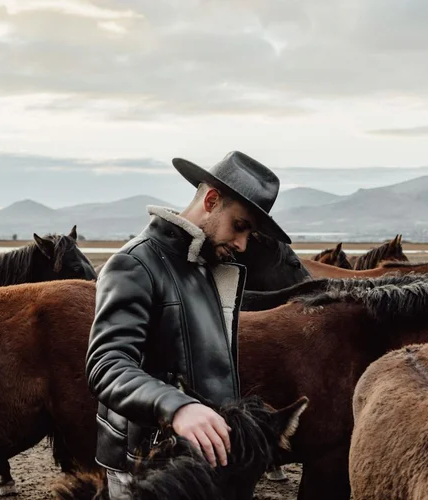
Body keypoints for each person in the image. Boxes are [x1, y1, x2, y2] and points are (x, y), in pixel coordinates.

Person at [85, 151, 291, 497]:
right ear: (211, 200)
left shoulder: (206, 268)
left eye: (249, 235)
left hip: (195, 460)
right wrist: (177, 407)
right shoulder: (135, 263)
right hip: (145, 464)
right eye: (239, 227)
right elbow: (106, 365)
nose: (241, 244)